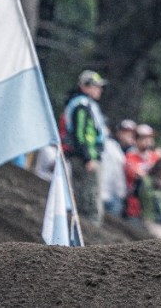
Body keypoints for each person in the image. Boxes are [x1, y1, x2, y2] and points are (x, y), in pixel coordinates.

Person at [61, 70, 109, 224]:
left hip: (87, 156)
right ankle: (88, 229)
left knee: (88, 195)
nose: (99, 90)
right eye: (95, 86)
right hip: (85, 158)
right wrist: (88, 157)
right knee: (89, 197)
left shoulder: (86, 104)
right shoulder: (81, 105)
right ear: (84, 86)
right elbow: (80, 134)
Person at [124, 123, 161, 223]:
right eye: (144, 138)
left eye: (150, 138)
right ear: (136, 140)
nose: (149, 141)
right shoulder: (130, 156)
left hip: (153, 208)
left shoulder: (156, 156)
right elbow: (138, 174)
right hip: (134, 207)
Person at [101, 119, 136, 217]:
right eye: (125, 132)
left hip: (119, 196)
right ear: (118, 132)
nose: (128, 136)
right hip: (105, 192)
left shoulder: (133, 153)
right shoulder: (109, 145)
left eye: (132, 134)